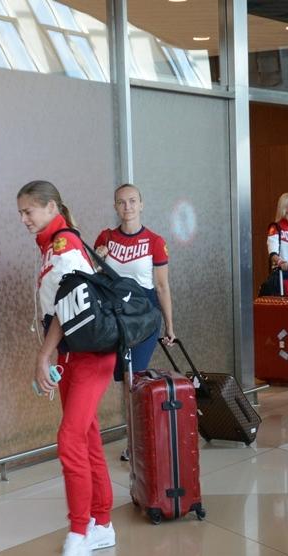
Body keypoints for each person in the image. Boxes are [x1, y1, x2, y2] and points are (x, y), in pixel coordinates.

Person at [19, 180, 117, 556]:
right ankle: (102, 524)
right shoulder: (50, 245)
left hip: (91, 357)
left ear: (50, 207)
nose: (24, 219)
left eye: (28, 211)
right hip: (74, 357)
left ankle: (79, 535)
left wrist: (44, 355)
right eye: (21, 213)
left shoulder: (63, 245)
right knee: (88, 435)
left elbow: (69, 301)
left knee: (70, 439)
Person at [95, 184, 175, 461]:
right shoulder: (105, 238)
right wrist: (98, 260)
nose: (127, 207)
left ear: (141, 204)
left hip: (144, 318)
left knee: (134, 378)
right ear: (115, 207)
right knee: (124, 381)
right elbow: (94, 279)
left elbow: (162, 287)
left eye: (132, 201)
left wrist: (170, 326)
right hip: (116, 318)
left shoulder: (155, 240)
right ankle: (138, 438)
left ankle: (138, 442)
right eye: (121, 202)